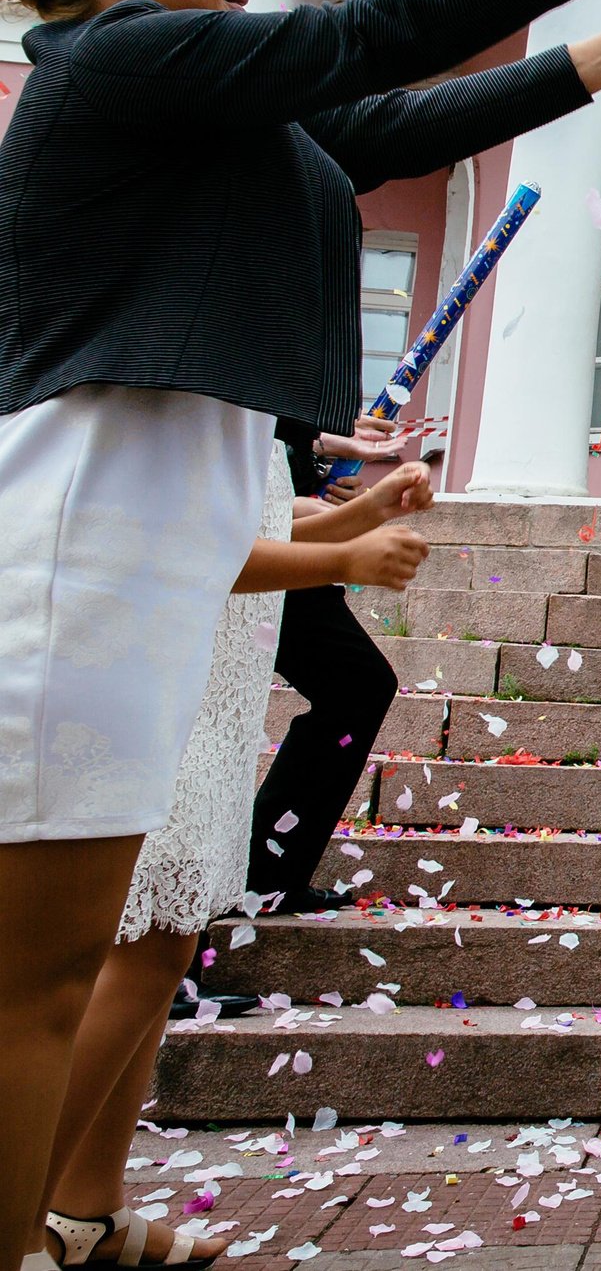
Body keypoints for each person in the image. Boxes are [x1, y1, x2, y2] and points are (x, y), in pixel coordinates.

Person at [0, 0, 601, 1259]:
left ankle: (77, 1226)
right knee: (33, 980)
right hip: (83, 530)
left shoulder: (200, 106)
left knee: (85, 952)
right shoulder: (118, 60)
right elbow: (365, 36)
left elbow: (395, 123)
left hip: (156, 535)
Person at [37, 453, 432, 1266]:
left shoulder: (239, 409)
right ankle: (20, 1219)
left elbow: (252, 531)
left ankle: (88, 1210)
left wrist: (361, 516)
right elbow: (187, 549)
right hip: (177, 671)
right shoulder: (193, 391)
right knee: (144, 949)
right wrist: (343, 559)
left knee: (169, 940)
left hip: (219, 679)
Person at [243, 417, 410, 918]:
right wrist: (343, 545)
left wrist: (326, 459)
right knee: (356, 685)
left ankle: (269, 875)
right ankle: (256, 878)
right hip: (250, 529)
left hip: (278, 506)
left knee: (358, 686)